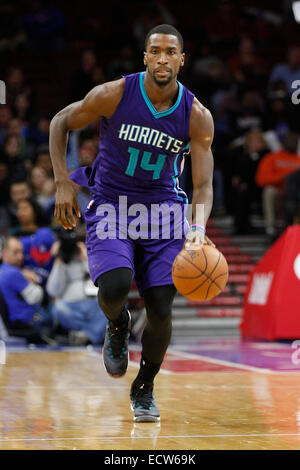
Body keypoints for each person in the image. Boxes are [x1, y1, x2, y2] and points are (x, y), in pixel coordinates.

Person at [49, 24, 214, 423]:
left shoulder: (196, 116)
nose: (161, 58)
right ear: (145, 57)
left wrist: (197, 230)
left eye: (170, 52)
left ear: (181, 59)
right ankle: (118, 323)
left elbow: (203, 184)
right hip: (112, 205)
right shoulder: (114, 93)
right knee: (116, 287)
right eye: (154, 51)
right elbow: (60, 121)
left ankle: (145, 386)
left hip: (162, 212)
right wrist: (61, 182)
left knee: (160, 307)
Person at [46, 229, 107, 346]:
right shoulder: (63, 260)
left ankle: (86, 335)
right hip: (72, 307)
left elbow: (101, 279)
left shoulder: (89, 255)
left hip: (95, 304)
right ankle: (92, 333)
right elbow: (52, 290)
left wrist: (86, 258)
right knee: (58, 308)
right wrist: (59, 261)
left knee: (117, 304)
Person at [0, 236, 53, 344]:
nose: (20, 257)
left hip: (13, 323)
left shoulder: (4, 270)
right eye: (16, 252)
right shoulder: (13, 272)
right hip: (26, 322)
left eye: (21, 252)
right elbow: (37, 297)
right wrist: (34, 281)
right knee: (54, 302)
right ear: (4, 253)